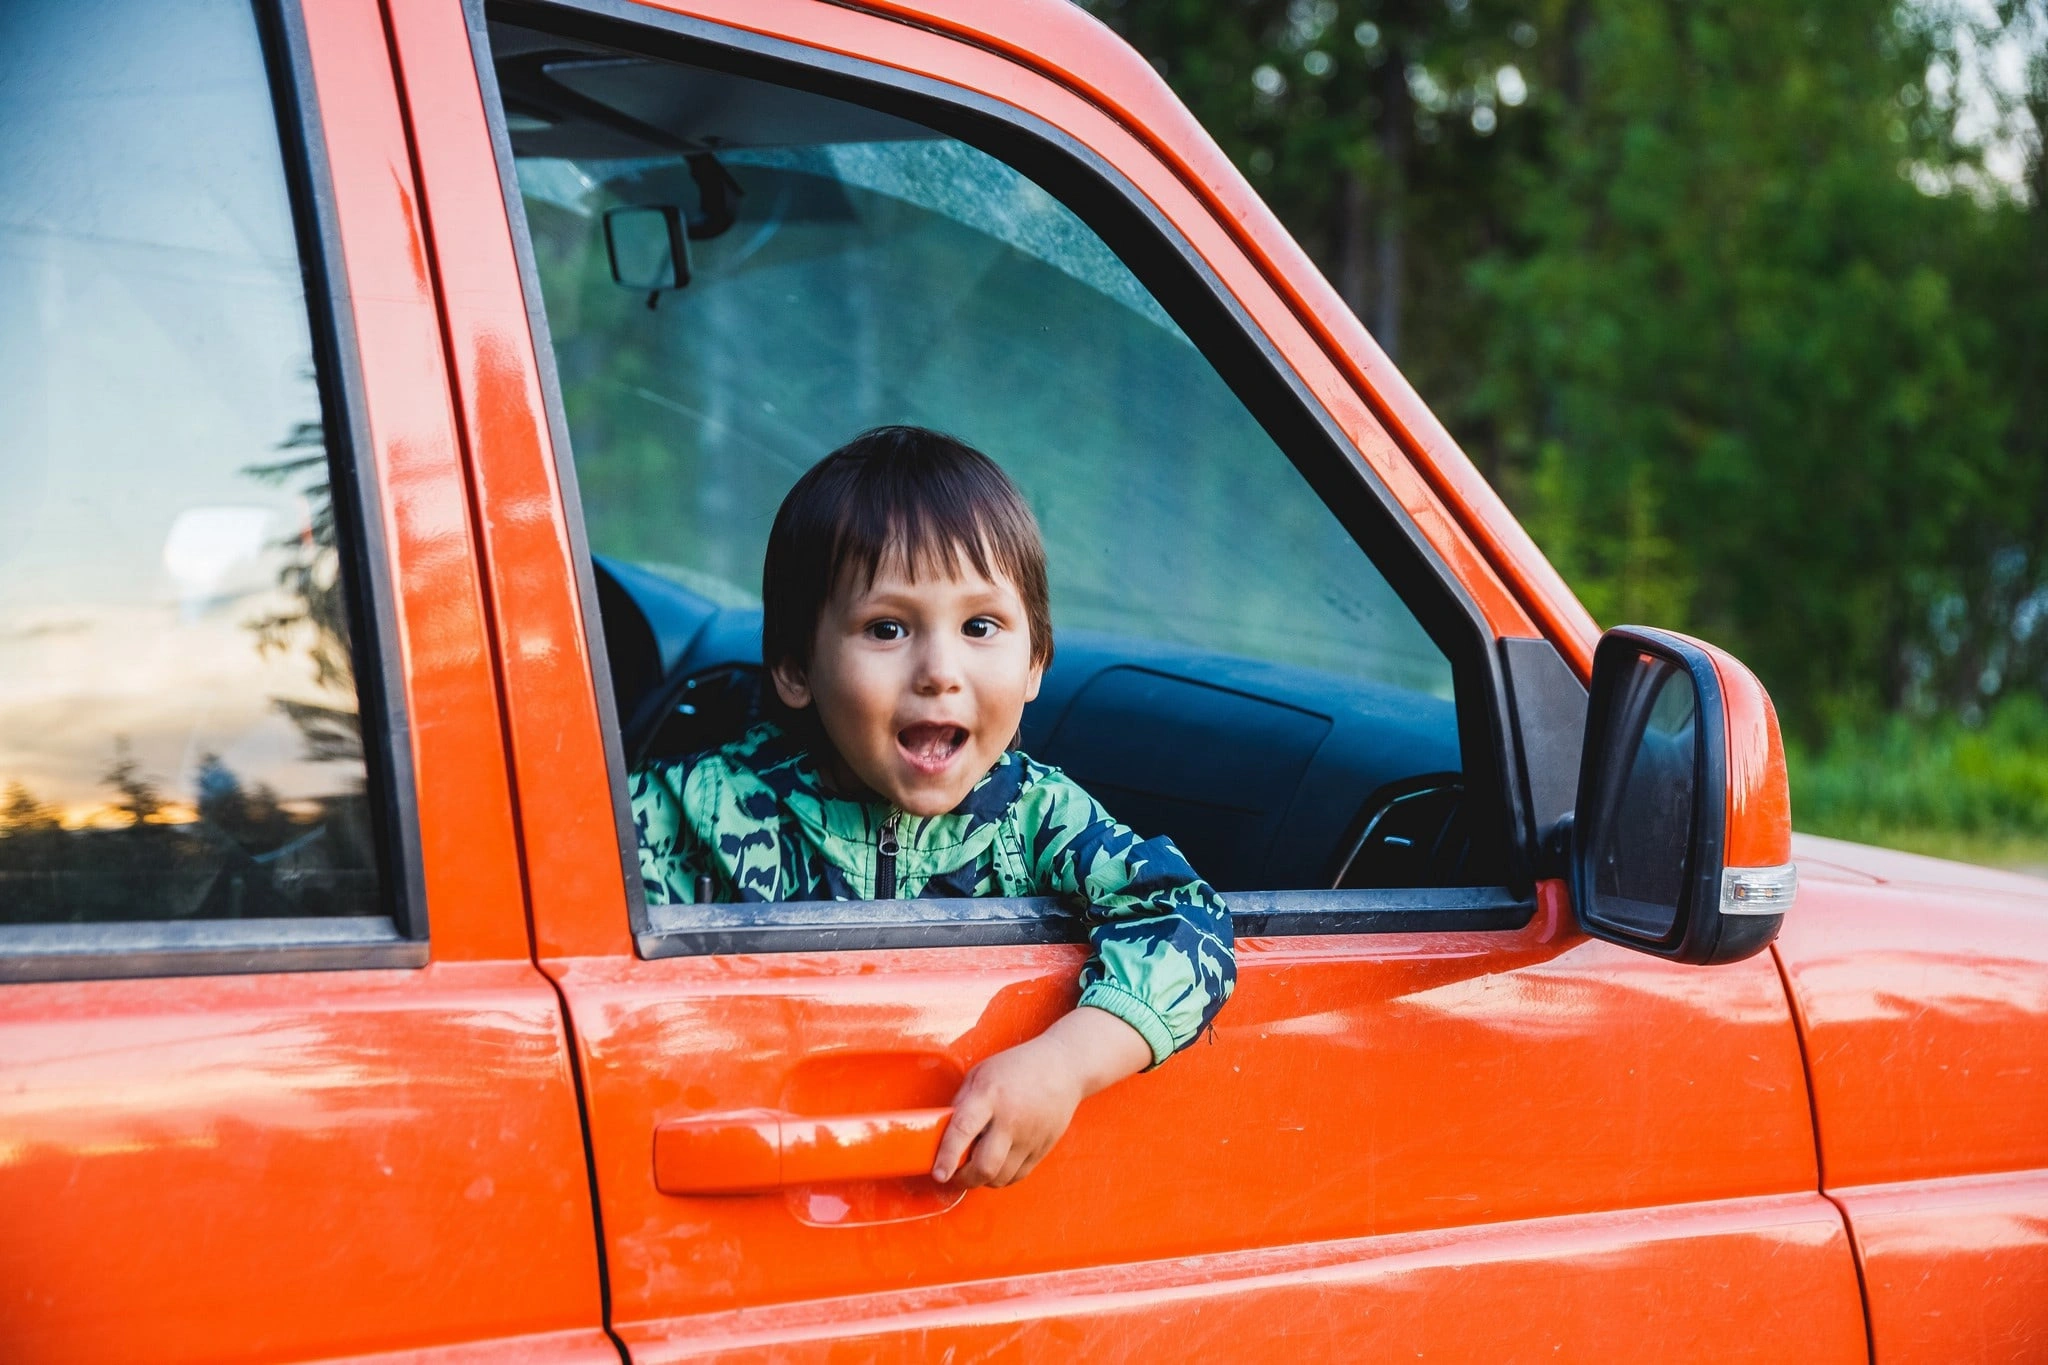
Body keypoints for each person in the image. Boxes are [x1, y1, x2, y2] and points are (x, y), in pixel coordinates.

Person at [630, 425, 1236, 1189]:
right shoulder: (698, 807)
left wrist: (1066, 1061)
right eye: (888, 628)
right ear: (793, 665)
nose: (940, 671)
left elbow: (1189, 918)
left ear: (1036, 663)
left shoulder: (1035, 815)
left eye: (980, 626)